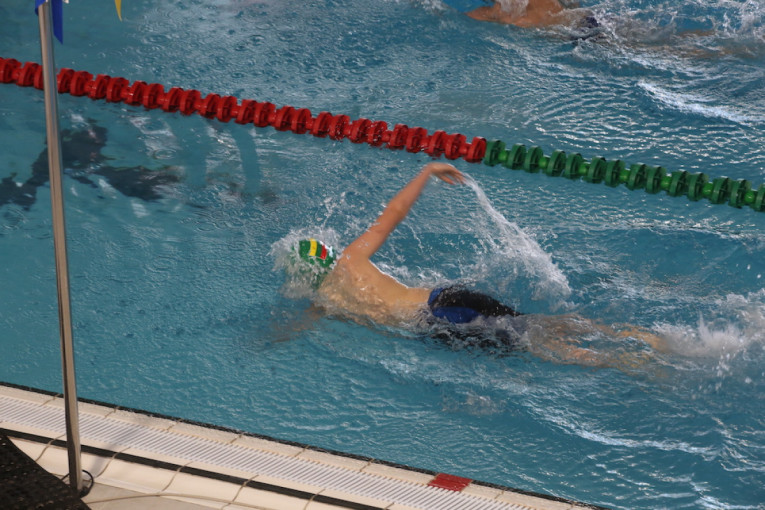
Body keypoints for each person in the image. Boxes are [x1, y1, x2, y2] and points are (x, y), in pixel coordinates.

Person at [287, 162, 667, 365]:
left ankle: (627, 364)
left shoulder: (326, 303)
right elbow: (394, 213)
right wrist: (427, 170)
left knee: (533, 345)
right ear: (329, 254)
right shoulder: (352, 257)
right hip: (446, 296)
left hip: (437, 323)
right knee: (534, 324)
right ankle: (634, 335)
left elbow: (295, 329)